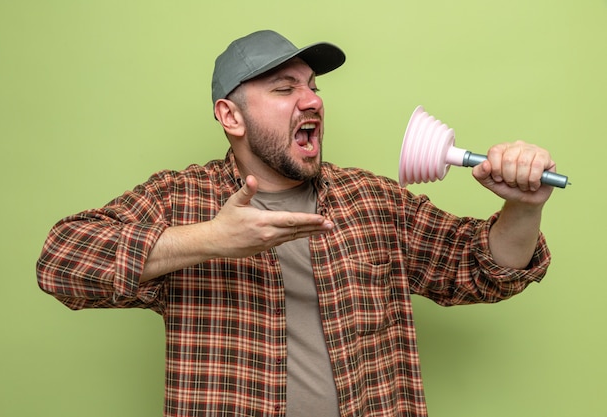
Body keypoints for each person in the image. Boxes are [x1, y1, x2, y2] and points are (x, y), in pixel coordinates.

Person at [37, 30, 554, 417]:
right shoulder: (179, 199)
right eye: (284, 89)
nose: (312, 101)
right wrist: (210, 240)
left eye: (311, 87)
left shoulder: (371, 200)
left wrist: (524, 206)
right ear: (231, 117)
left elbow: (484, 268)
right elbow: (60, 261)